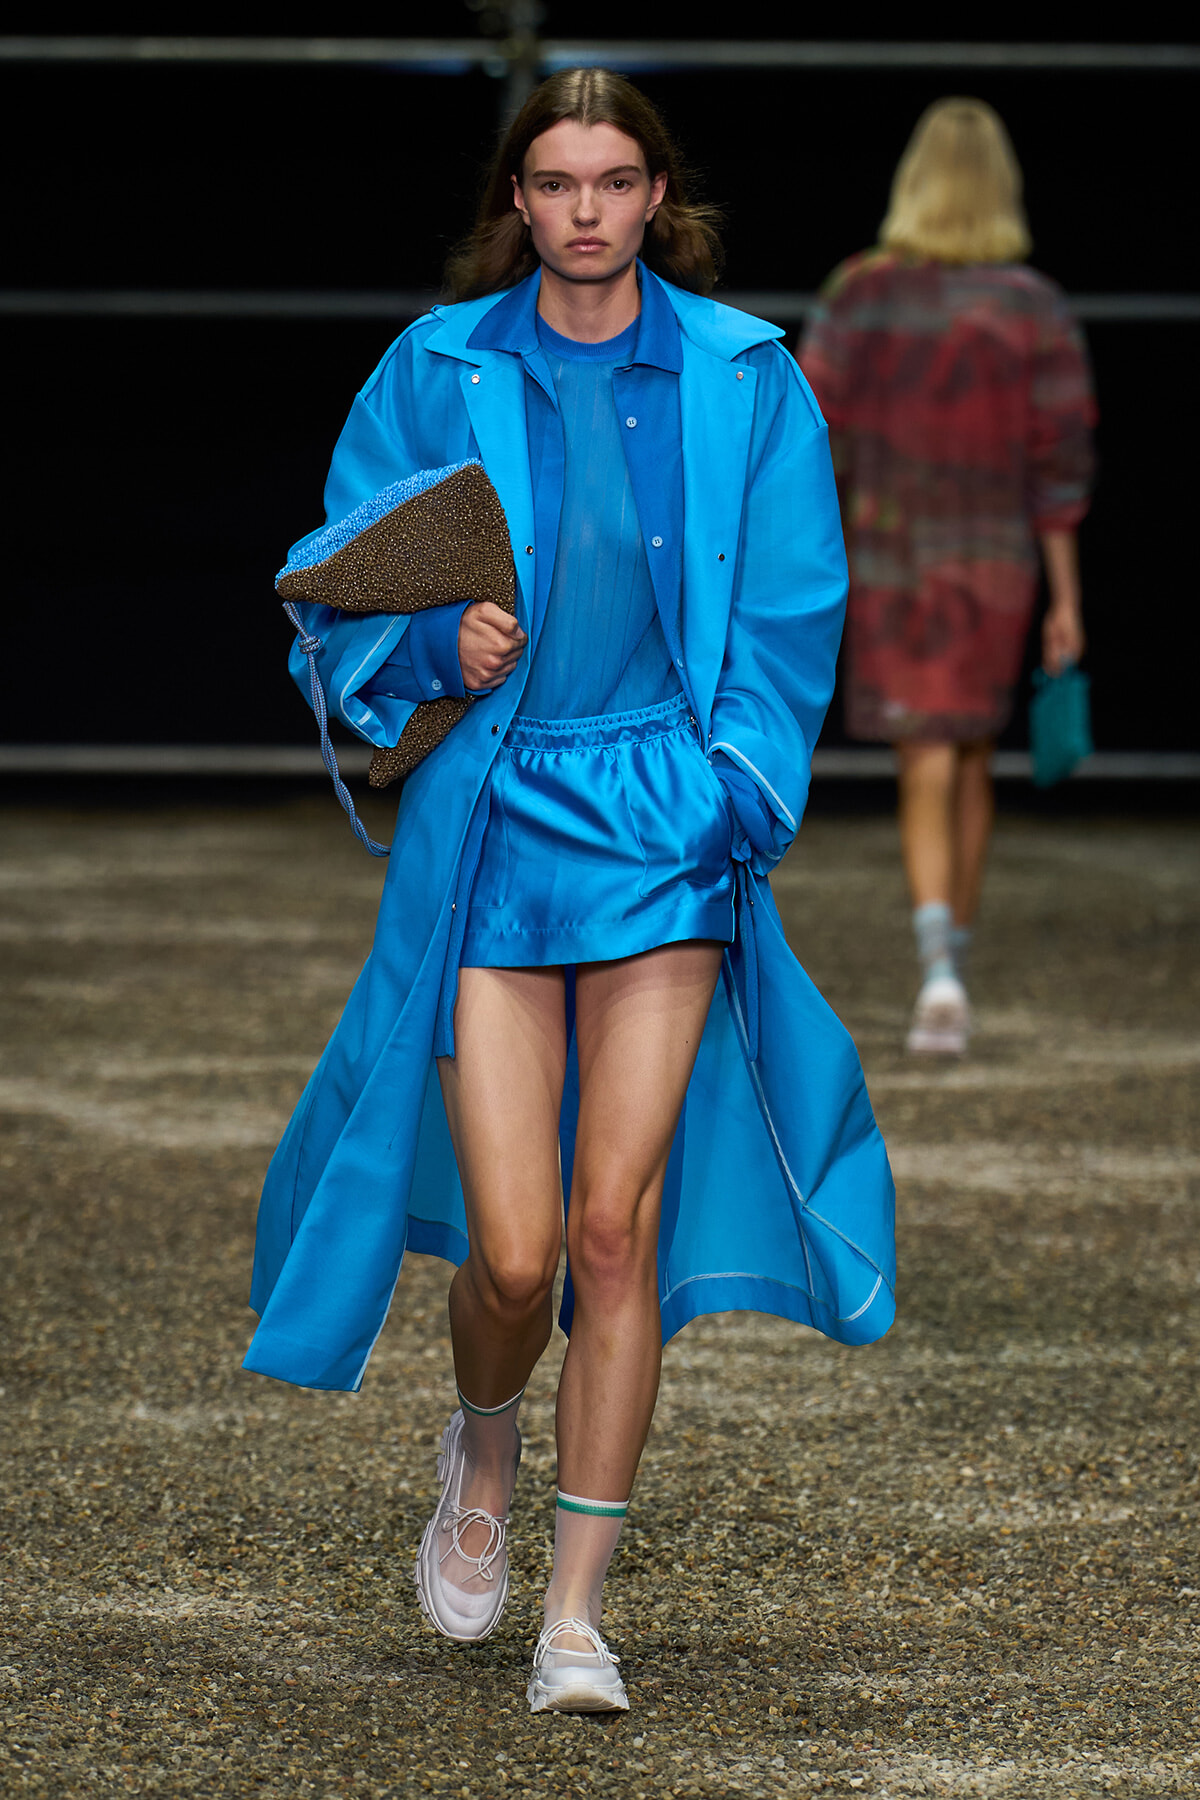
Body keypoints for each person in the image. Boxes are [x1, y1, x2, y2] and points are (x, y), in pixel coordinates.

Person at [245, 67, 895, 1715]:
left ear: (657, 196)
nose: (587, 210)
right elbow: (334, 589)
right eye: (556, 182)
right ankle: (481, 1446)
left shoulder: (749, 378)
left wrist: (737, 789)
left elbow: (795, 611)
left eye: (615, 180)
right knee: (519, 1256)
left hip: (663, 829)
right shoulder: (438, 368)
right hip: (493, 834)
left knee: (618, 1229)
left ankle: (576, 1615)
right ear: (517, 202)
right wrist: (430, 650)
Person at [799, 97, 1097, 1055]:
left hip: (889, 556)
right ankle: (947, 959)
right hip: (996, 563)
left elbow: (810, 432)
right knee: (968, 754)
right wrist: (1067, 597)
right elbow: (1062, 463)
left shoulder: (858, 293)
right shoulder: (1034, 308)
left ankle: (939, 973)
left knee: (929, 757)